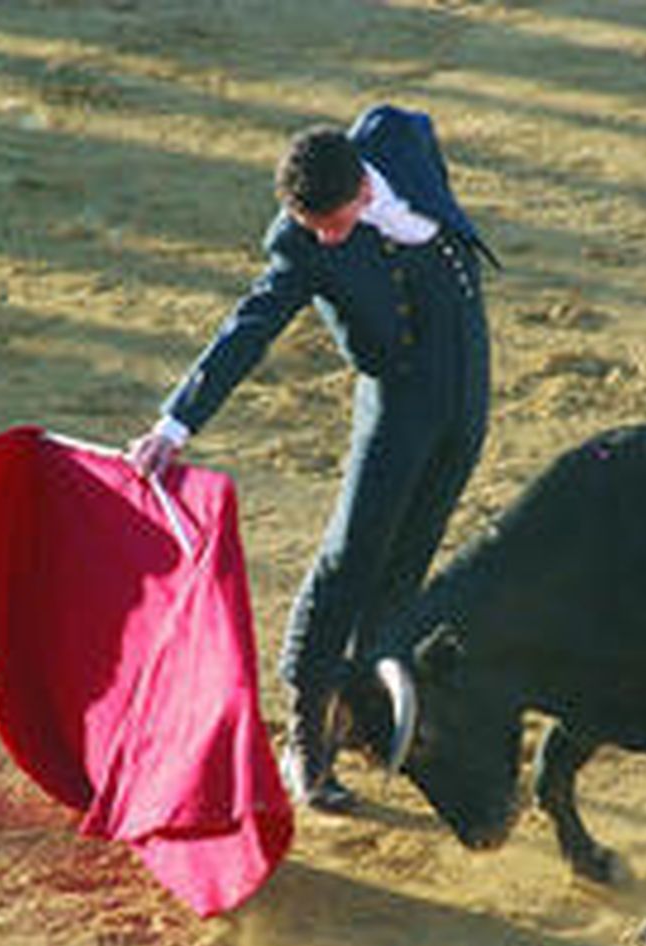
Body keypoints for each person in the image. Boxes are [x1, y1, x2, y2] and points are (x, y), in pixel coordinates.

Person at [127, 104, 497, 813]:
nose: (321, 237)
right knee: (350, 557)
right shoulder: (299, 245)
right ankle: (306, 737)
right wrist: (175, 425)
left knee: (412, 551)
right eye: (311, 226)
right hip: (397, 401)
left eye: (330, 223)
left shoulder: (399, 138)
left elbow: (420, 139)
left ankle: (360, 709)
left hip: (467, 380)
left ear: (364, 189)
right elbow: (249, 328)